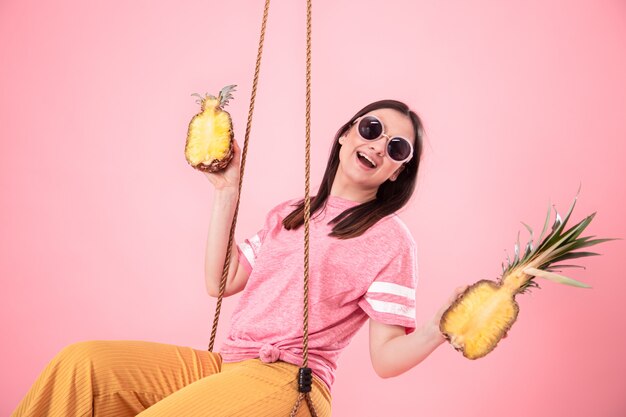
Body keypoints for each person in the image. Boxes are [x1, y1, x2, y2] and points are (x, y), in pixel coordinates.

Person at [12, 99, 467, 417]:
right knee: (82, 364)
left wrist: (439, 327)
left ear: (397, 171)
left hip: (288, 382)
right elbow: (221, 281)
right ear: (347, 133)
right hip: (230, 366)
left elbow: (386, 360)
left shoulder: (389, 238)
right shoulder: (291, 214)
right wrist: (226, 188)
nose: (378, 145)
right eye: (371, 129)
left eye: (396, 148)